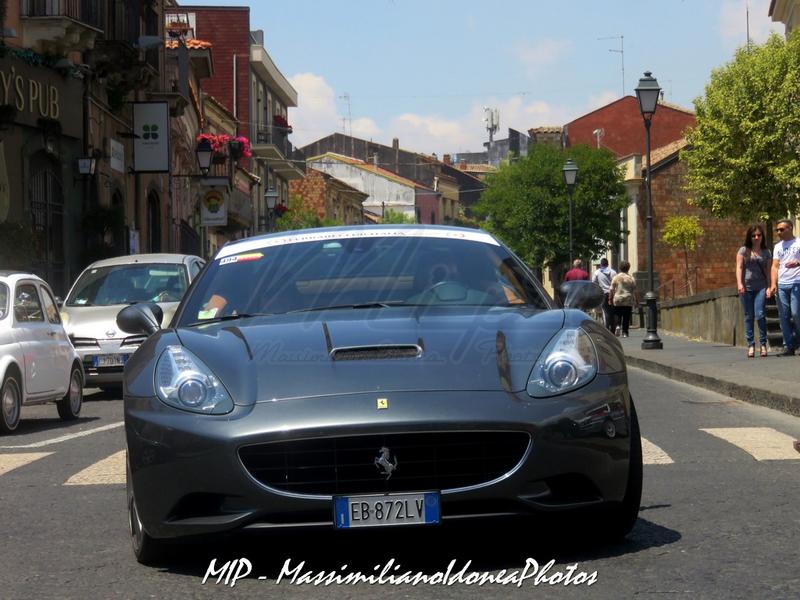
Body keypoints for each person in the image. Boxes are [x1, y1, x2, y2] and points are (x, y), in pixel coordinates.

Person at [736, 225, 771, 358]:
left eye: (759, 235)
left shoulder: (766, 252)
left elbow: (768, 272)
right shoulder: (743, 250)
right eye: (753, 235)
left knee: (760, 314)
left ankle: (763, 344)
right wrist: (740, 284)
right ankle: (751, 345)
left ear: (762, 236)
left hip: (761, 287)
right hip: (746, 288)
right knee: (749, 316)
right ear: (749, 237)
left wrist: (769, 286)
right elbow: (739, 268)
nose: (756, 238)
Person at [768, 219, 800, 356]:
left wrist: (798, 263)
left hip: (797, 282)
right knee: (784, 316)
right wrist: (773, 284)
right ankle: (789, 346)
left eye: (782, 229)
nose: (779, 232)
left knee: (796, 314)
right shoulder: (778, 247)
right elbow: (775, 266)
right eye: (777, 230)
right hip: (782, 284)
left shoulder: (798, 242)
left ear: (790, 228)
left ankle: (798, 341)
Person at [609, 261, 638, 337]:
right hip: (628, 299)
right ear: (628, 268)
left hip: (617, 298)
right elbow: (635, 291)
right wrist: (637, 301)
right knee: (626, 316)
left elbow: (611, 289)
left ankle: (618, 325)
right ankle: (625, 332)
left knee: (617, 314)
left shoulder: (616, 277)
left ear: (620, 268)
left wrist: (610, 298)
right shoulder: (631, 278)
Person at [592, 257, 617, 332]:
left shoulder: (597, 272)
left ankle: (607, 327)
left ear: (601, 264)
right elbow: (616, 283)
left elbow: (593, 282)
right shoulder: (613, 272)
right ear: (607, 264)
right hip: (612, 294)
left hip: (603, 293)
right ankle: (613, 327)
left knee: (605, 311)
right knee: (612, 310)